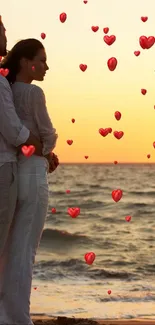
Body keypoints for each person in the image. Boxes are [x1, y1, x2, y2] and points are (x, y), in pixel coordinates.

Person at [0, 36, 59, 325]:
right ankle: (18, 317)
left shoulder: (8, 88)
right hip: (34, 173)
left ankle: (7, 313)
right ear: (26, 62)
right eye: (42, 60)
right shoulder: (34, 94)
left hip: (15, 172)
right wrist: (49, 152)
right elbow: (48, 135)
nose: (46, 66)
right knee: (26, 251)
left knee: (11, 247)